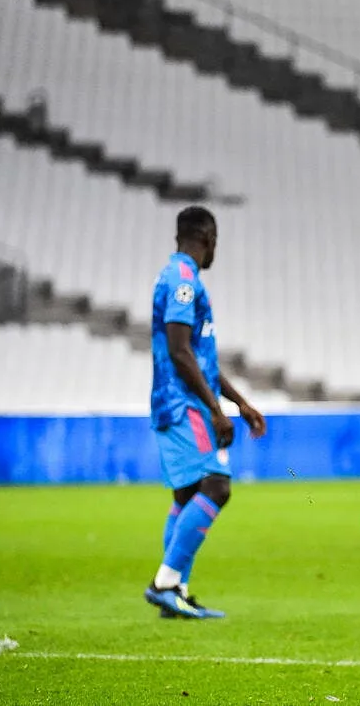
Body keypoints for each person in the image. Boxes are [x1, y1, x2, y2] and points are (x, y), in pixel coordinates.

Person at [144, 206, 267, 619]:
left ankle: (175, 592)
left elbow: (200, 357)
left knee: (187, 494)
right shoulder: (182, 281)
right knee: (217, 486)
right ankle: (164, 582)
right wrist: (217, 411)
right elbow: (180, 351)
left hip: (183, 399)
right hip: (184, 404)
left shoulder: (180, 277)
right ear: (206, 236)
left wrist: (240, 402)